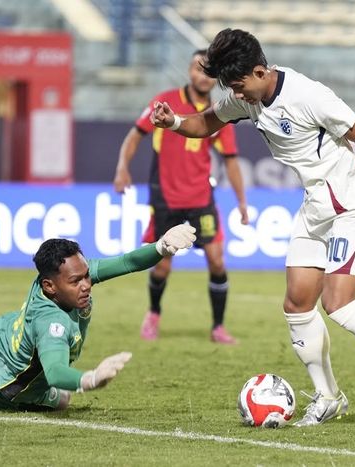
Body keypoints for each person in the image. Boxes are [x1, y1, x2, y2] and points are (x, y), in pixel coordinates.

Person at [149, 29, 355, 425]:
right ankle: (328, 397)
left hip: (354, 204)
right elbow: (206, 123)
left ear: (259, 70)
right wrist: (174, 122)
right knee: (298, 304)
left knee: (338, 303)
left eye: (240, 86)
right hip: (317, 208)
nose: (237, 95)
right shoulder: (245, 96)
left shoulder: (309, 96)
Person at [0, 224, 196, 411]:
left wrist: (162, 246)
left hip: (1, 334)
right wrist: (90, 379)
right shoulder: (51, 323)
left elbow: (127, 262)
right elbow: (55, 372)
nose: (86, 284)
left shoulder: (64, 276)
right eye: (76, 281)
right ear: (49, 286)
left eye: (87, 275)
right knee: (63, 400)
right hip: (10, 384)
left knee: (32, 347)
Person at [114, 49, 249, 344]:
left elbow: (231, 159)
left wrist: (241, 201)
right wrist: (122, 167)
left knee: (217, 261)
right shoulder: (165, 102)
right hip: (166, 199)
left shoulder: (220, 112)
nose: (202, 75)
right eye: (197, 69)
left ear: (216, 78)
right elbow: (136, 134)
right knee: (161, 264)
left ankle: (218, 327)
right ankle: (153, 314)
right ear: (189, 72)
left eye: (208, 71)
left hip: (201, 199)